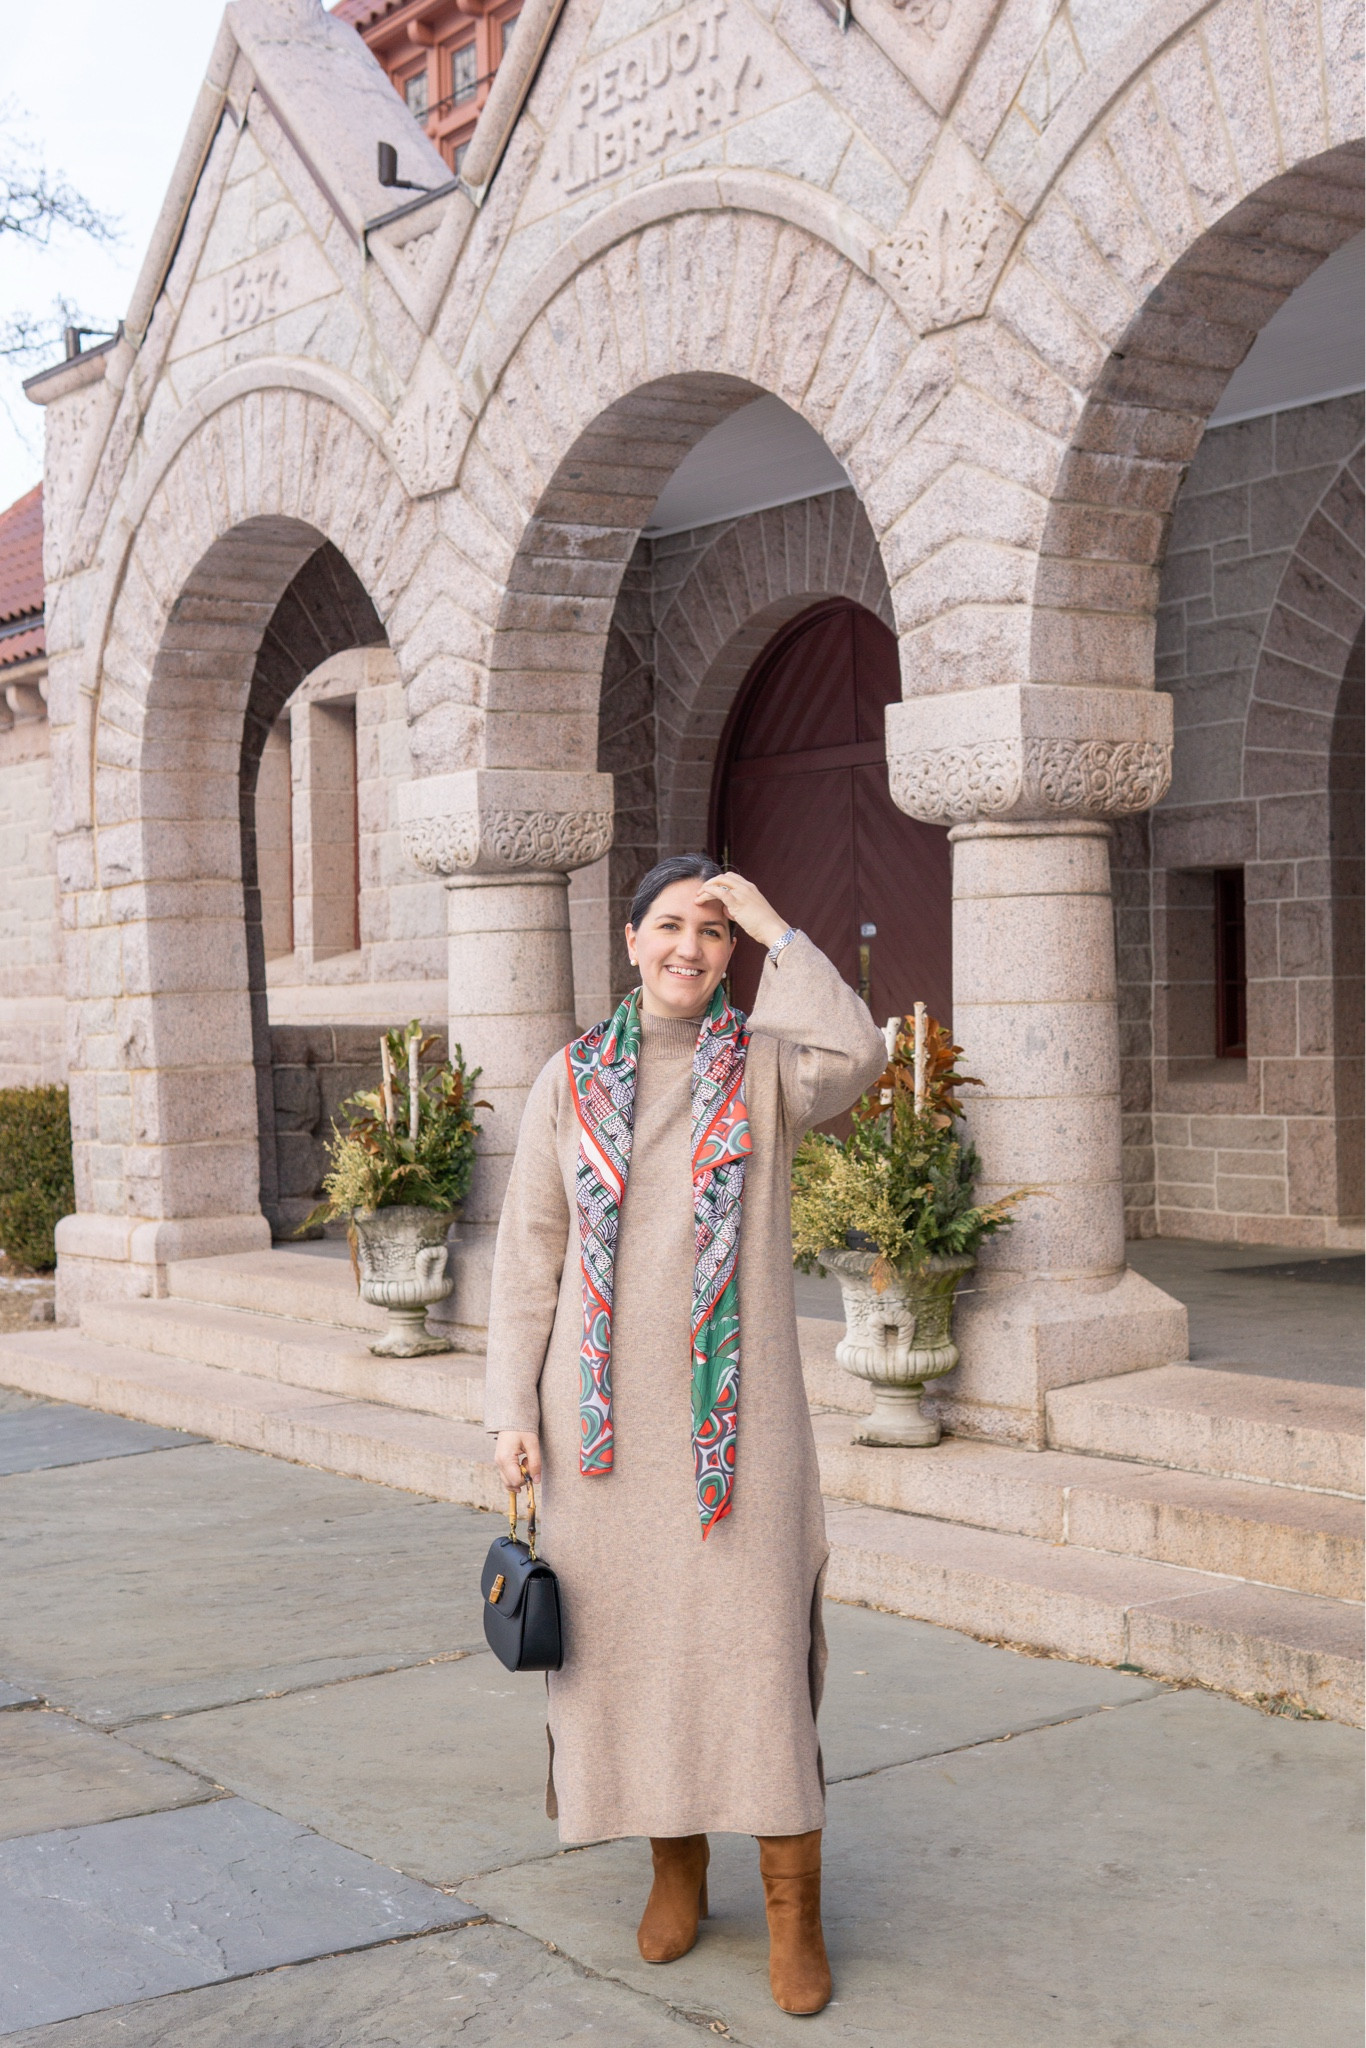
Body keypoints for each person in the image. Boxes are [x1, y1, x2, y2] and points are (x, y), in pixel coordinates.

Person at [484, 855, 886, 2015]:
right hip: (599, 1432)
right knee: (632, 1655)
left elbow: (857, 1054)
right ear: (629, 938)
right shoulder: (571, 1076)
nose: (690, 948)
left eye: (713, 932)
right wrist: (511, 1406)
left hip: (737, 1428)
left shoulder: (764, 1067)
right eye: (672, 925)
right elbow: (529, 1253)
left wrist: (771, 918)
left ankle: (792, 1912)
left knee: (754, 1652)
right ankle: (673, 1864)